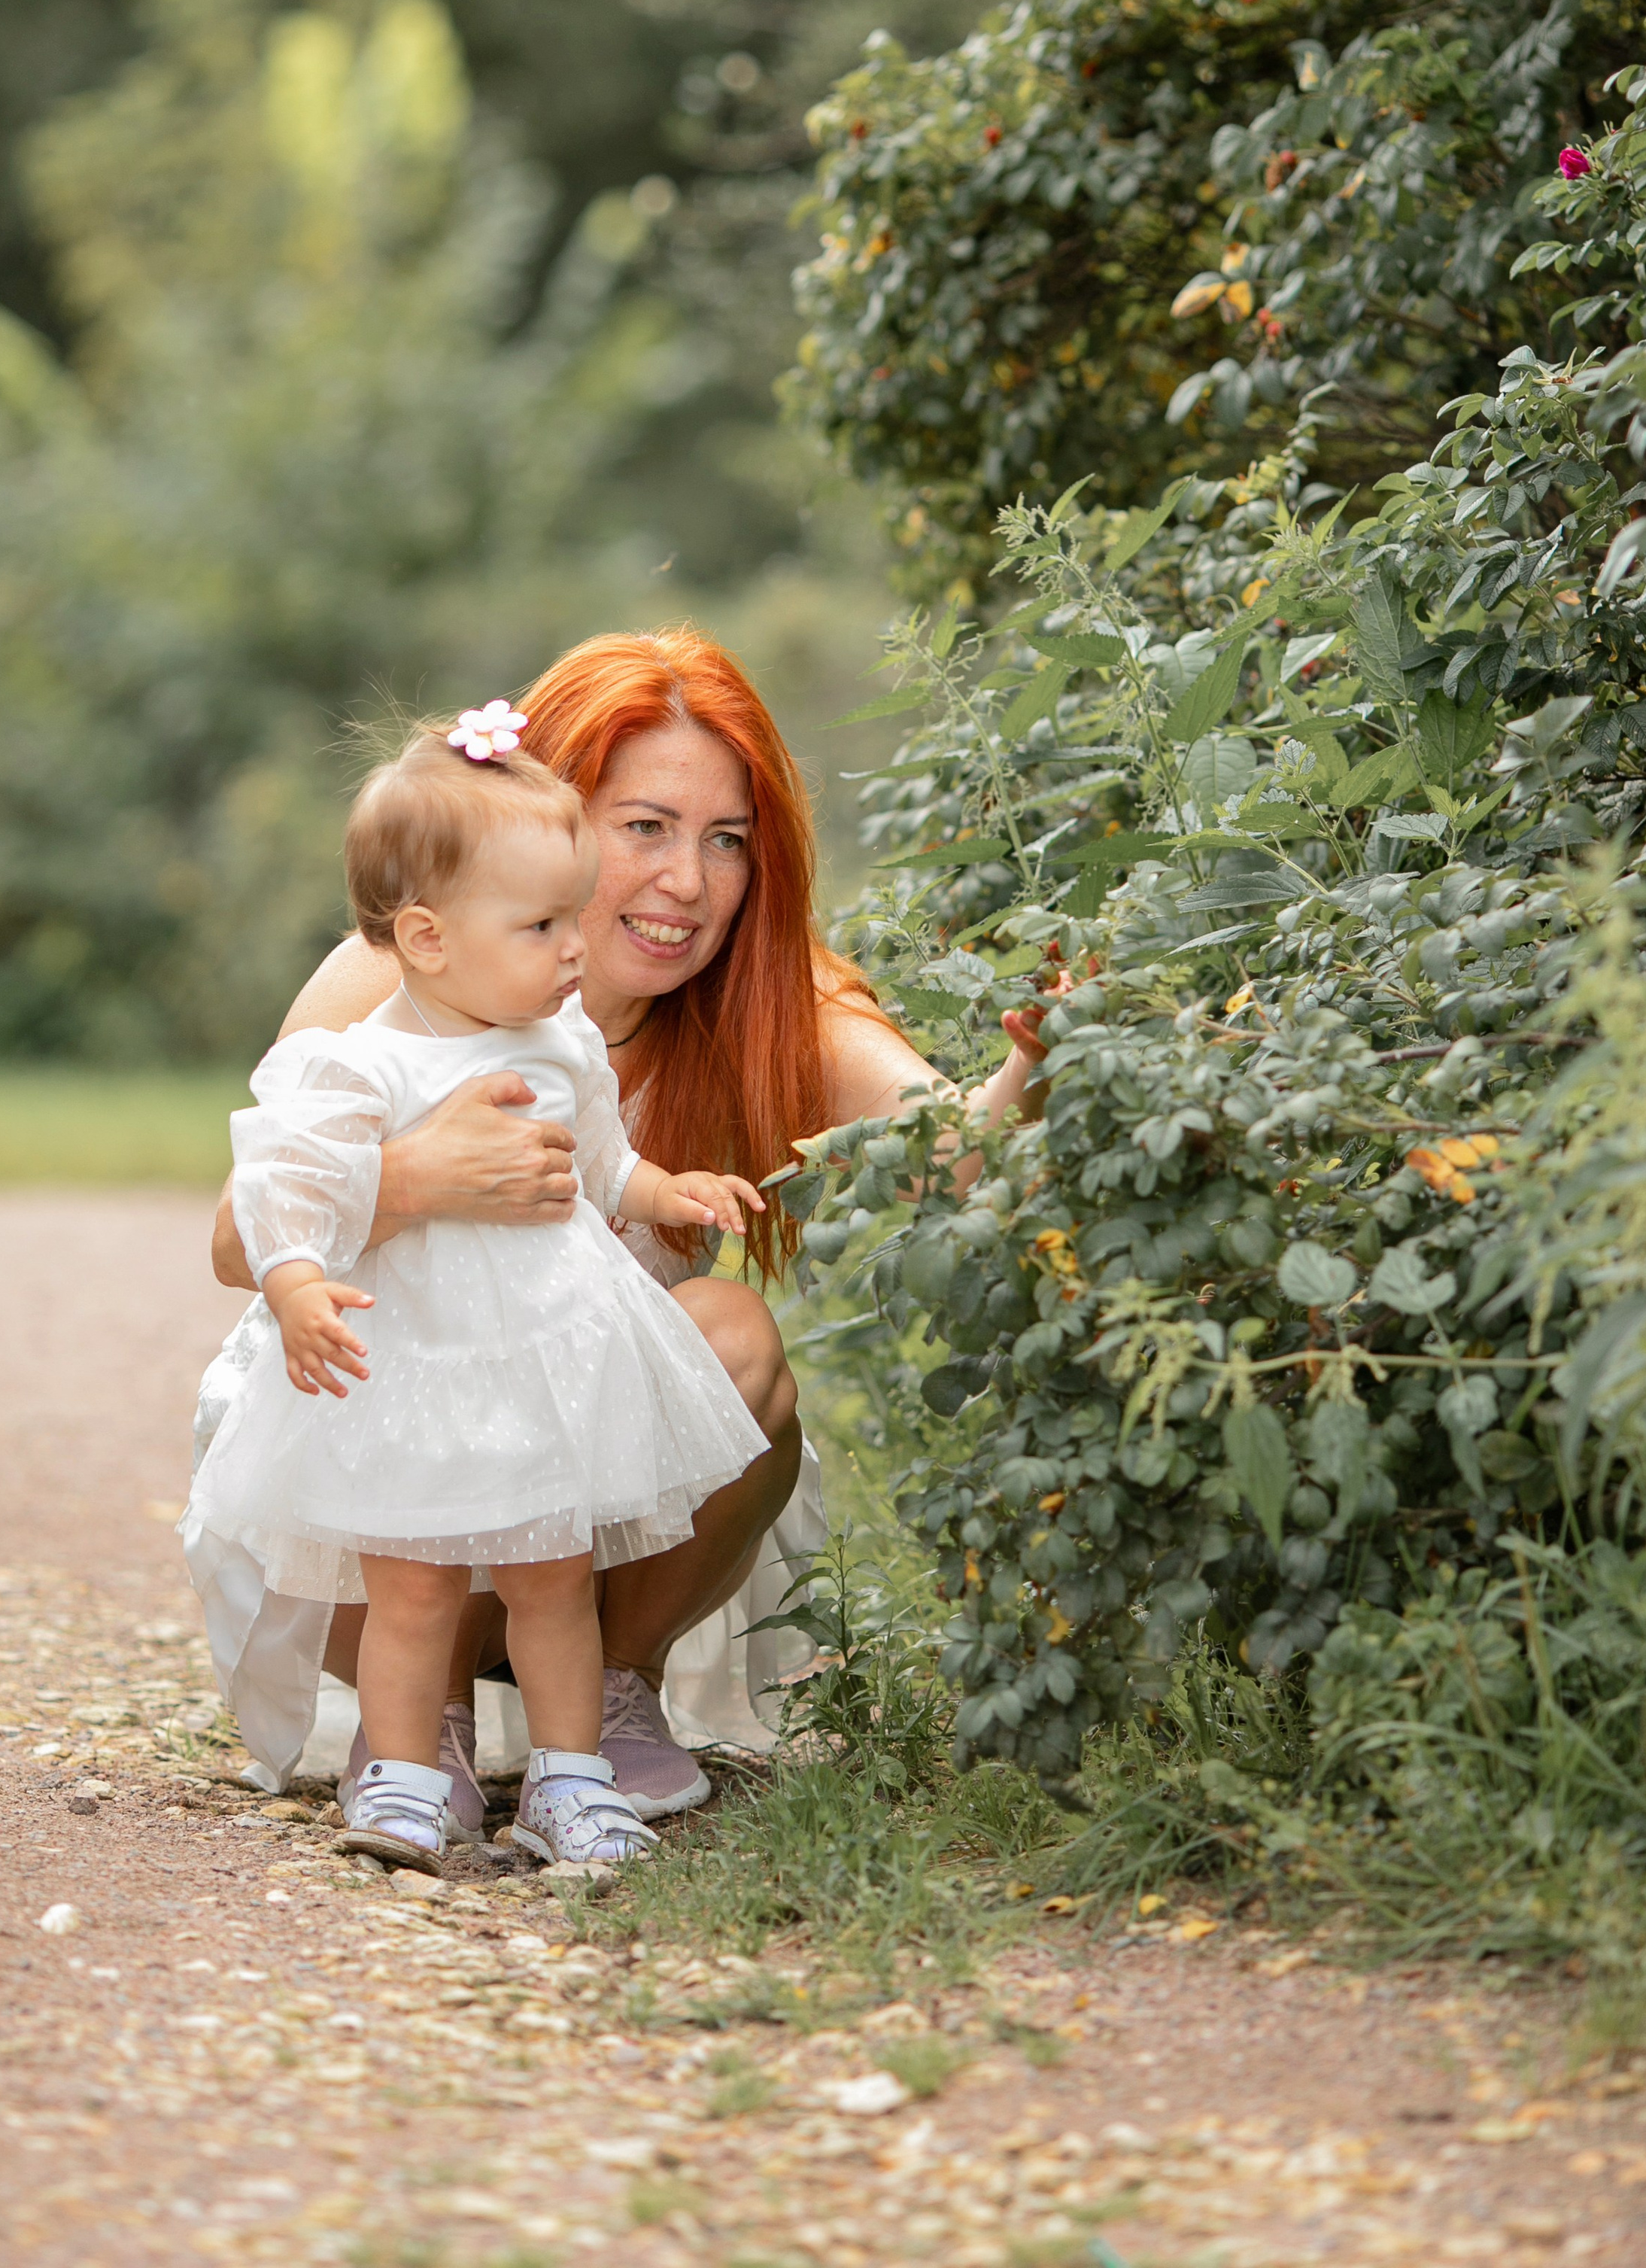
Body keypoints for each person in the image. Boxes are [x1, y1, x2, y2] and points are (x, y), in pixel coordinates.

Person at [195, 626, 1039, 1824]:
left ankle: (607, 1702)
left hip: (572, 1513)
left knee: (736, 1331)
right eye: (644, 827)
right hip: (381, 1483)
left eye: (727, 841)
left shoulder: (768, 1005)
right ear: (549, 818)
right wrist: (417, 1177)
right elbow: (238, 1237)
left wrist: (1042, 1069)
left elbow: (953, 1151)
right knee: (407, 1510)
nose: (687, 884)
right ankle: (415, 1720)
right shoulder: (396, 983)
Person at [186, 710, 771, 1871]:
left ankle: (571, 1781)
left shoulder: (558, 1044)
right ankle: (404, 1779)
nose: (574, 949)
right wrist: (300, 1289)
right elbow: (282, 1195)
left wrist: (669, 1191)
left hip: (546, 1357)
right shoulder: (363, 1061)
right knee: (414, 1588)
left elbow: (602, 1161)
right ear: (429, 936)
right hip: (415, 1364)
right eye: (545, 923)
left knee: (556, 1581)